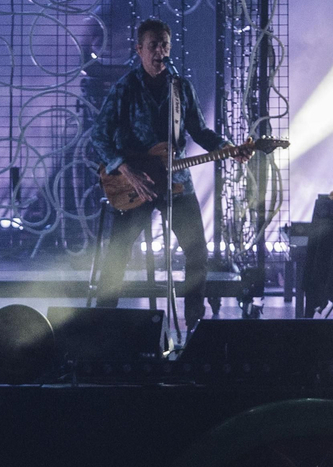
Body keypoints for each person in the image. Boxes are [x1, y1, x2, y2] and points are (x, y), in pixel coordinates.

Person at [88, 17, 250, 330]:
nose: (160, 51)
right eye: (153, 46)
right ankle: (101, 327)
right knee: (117, 257)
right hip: (134, 185)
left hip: (176, 184)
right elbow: (99, 135)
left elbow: (200, 131)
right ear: (139, 50)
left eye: (164, 45)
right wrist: (126, 168)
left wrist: (229, 147)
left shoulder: (180, 87)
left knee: (197, 254)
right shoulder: (125, 89)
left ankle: (194, 323)